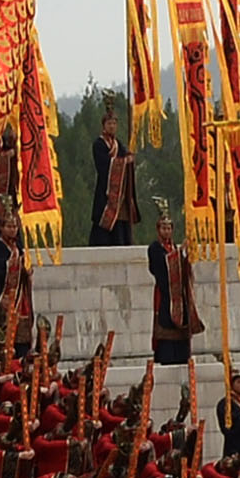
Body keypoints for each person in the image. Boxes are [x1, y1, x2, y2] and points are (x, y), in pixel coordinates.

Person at [146, 212, 198, 367]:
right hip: (165, 294)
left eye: (169, 228)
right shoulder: (155, 248)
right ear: (158, 230)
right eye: (164, 228)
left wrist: (185, 258)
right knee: (166, 322)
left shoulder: (173, 247)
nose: (167, 231)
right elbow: (160, 266)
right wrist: (179, 254)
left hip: (178, 295)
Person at [86, 116, 139, 249]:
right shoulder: (99, 144)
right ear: (103, 125)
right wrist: (123, 162)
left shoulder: (118, 144)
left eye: (114, 123)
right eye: (109, 123)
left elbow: (125, 158)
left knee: (121, 223)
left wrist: (129, 159)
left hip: (120, 193)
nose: (112, 126)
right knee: (104, 220)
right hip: (106, 190)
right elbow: (103, 165)